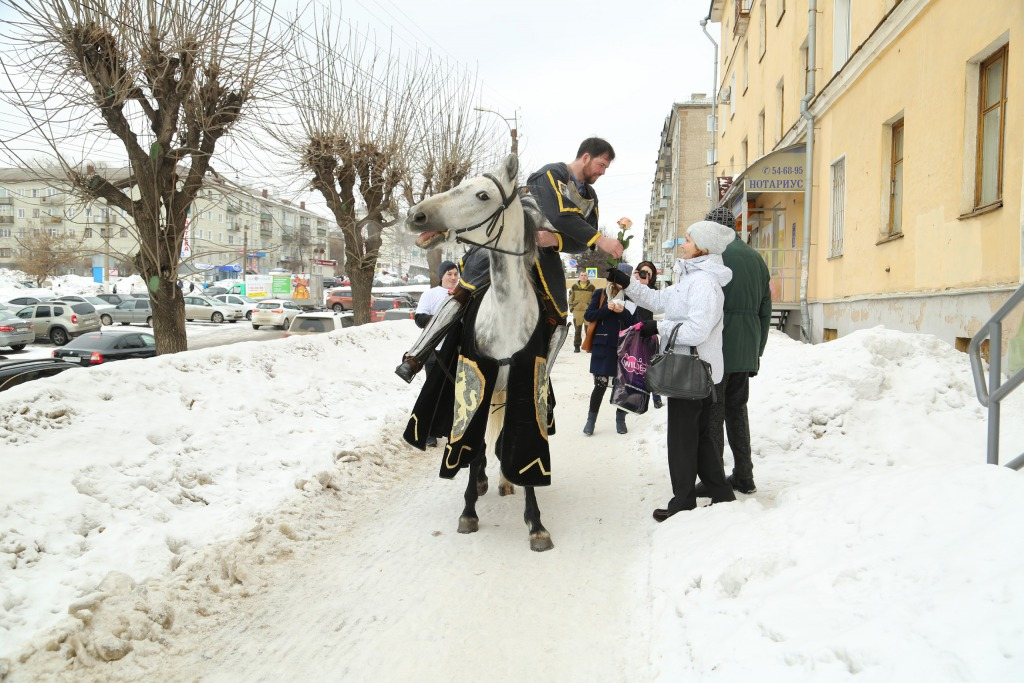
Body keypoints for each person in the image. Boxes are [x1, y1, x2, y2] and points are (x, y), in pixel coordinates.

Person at [395, 137, 624, 383]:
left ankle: (541, 379)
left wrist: (555, 241)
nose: (602, 172)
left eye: (606, 168)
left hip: (544, 252)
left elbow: (582, 242)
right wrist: (601, 240)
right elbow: (558, 215)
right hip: (508, 237)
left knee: (559, 311)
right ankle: (417, 355)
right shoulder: (551, 173)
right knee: (467, 286)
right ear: (586, 157)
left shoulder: (591, 199)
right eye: (601, 165)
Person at [607, 220, 739, 522]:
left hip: (691, 372)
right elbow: (658, 300)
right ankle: (720, 492)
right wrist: (627, 283)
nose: (683, 243)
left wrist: (659, 326)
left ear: (703, 248)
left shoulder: (704, 284)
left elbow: (697, 330)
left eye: (689, 240)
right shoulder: (692, 279)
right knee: (703, 437)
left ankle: (683, 501)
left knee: (682, 440)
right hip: (696, 371)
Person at [697, 206, 772, 496]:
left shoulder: (714, 258)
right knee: (737, 412)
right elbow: (766, 309)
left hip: (717, 348)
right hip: (746, 349)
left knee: (714, 414)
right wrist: (757, 351)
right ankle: (744, 474)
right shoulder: (756, 259)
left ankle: (715, 480)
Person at [582, 263, 637, 436]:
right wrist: (606, 309)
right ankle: (591, 421)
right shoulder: (600, 294)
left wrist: (621, 311)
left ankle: (620, 420)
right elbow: (589, 316)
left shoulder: (630, 298)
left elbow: (634, 324)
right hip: (602, 348)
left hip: (622, 349)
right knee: (599, 386)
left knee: (622, 387)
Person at [414, 260, 460, 447]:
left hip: (456, 350)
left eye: (456, 274)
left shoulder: (463, 294)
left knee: (453, 393)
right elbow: (419, 318)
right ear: (442, 275)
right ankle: (429, 432)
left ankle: (451, 430)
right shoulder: (430, 294)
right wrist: (438, 321)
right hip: (435, 350)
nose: (453, 277)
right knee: (433, 391)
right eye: (449, 274)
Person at [633, 260, 663, 409]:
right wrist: (632, 281)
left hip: (648, 332)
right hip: (632, 333)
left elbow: (655, 305)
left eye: (648, 274)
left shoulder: (653, 292)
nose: (644, 275)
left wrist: (644, 287)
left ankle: (656, 396)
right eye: (642, 272)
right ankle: (631, 398)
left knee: (651, 367)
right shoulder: (630, 289)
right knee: (633, 366)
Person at [568, 270, 596, 352]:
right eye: (582, 275)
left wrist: (593, 309)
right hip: (577, 312)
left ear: (587, 277)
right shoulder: (574, 287)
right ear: (579, 276)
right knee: (577, 330)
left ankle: (588, 346)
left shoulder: (592, 287)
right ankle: (577, 346)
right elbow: (570, 299)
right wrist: (571, 308)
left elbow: (595, 299)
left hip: (588, 311)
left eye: (585, 275)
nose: (584, 277)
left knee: (589, 330)